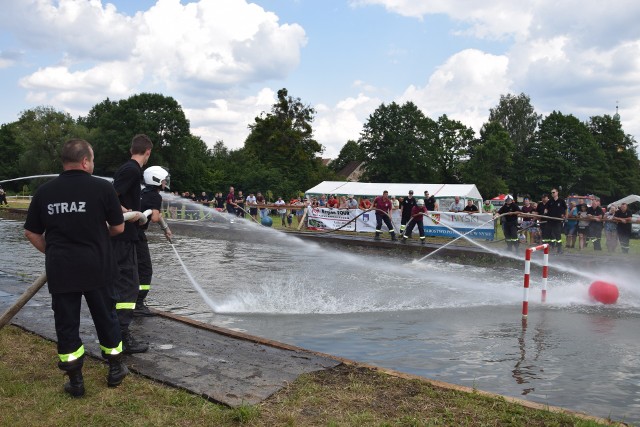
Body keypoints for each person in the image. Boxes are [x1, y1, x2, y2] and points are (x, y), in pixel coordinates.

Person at [23, 139, 129, 397]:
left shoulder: (44, 192)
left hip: (62, 269)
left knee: (66, 323)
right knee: (106, 317)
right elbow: (118, 227)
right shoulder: (102, 188)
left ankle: (76, 380)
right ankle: (115, 370)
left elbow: (31, 231)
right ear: (85, 161)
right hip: (98, 267)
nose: (92, 164)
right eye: (92, 160)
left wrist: (53, 251)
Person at [111, 133, 153, 354]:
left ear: (131, 150)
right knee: (128, 286)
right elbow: (110, 195)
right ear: (148, 152)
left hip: (127, 236)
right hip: (124, 238)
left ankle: (118, 334)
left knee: (127, 284)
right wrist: (129, 212)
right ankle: (121, 338)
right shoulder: (132, 170)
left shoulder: (129, 169)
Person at [134, 166, 173, 317]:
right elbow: (155, 217)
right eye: (163, 180)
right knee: (145, 270)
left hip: (128, 233)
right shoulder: (156, 196)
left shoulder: (141, 192)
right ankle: (138, 303)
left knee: (133, 268)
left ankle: (131, 299)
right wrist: (159, 214)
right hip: (137, 235)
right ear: (156, 180)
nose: (165, 183)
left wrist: (166, 229)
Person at [547, 188, 567, 254]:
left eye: (553, 192)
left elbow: (566, 209)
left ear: (557, 193)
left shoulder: (561, 201)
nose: (552, 194)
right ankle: (552, 246)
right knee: (550, 234)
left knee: (558, 235)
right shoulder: (550, 201)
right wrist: (545, 211)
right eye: (551, 193)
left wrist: (565, 216)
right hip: (550, 220)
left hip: (558, 221)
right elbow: (546, 209)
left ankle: (559, 248)